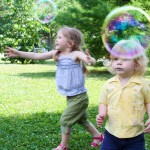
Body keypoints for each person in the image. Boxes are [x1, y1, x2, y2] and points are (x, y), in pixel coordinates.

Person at [6, 26, 103, 150]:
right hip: (71, 96)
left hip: (80, 97)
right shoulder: (56, 54)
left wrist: (90, 60)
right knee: (82, 120)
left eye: (59, 37)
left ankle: (63, 146)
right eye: (56, 37)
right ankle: (98, 136)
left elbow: (88, 59)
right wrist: (18, 53)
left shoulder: (75, 54)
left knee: (65, 120)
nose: (56, 39)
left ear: (70, 42)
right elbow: (36, 55)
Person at [96, 39, 150, 150]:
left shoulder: (143, 84)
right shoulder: (108, 84)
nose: (119, 62)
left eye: (124, 59)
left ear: (136, 63)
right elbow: (103, 102)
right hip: (111, 134)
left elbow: (148, 101)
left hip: (135, 136)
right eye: (115, 59)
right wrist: (102, 114)